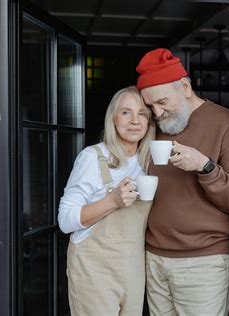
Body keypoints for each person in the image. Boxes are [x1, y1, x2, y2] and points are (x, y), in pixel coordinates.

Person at [136, 48, 229, 315]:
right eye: (150, 106)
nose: (157, 113)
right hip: (153, 256)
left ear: (184, 86)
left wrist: (204, 167)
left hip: (204, 260)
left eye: (161, 102)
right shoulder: (152, 126)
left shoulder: (224, 121)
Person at [57, 86, 155, 315]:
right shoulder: (92, 158)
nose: (134, 121)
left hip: (133, 269)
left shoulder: (149, 162)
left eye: (142, 114)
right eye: (126, 112)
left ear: (149, 122)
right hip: (94, 270)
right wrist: (112, 201)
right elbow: (65, 220)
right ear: (113, 119)